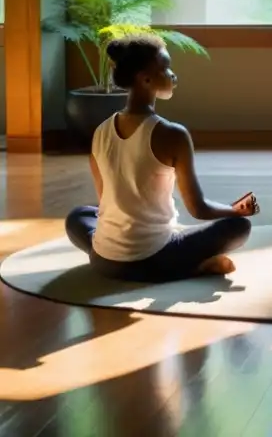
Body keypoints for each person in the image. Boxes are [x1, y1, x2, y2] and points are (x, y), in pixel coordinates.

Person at [64, 35, 259, 282]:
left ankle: (125, 261)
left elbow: (105, 205)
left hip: (103, 259)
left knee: (78, 216)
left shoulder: (100, 130)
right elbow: (198, 209)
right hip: (155, 258)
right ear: (145, 78)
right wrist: (234, 210)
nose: (173, 76)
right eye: (166, 69)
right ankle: (192, 267)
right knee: (238, 227)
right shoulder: (173, 134)